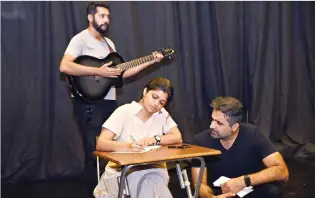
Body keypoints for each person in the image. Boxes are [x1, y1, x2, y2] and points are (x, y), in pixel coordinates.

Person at [59, 2, 164, 192]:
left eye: (108, 16)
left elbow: (121, 74)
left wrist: (150, 61)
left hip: (109, 102)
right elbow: (65, 66)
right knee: (94, 152)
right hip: (88, 104)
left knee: (110, 149)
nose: (106, 20)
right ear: (91, 18)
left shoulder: (109, 44)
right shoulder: (80, 39)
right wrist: (98, 71)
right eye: (102, 16)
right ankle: (92, 191)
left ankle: (110, 191)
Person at [93, 77, 183, 198]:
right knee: (151, 183)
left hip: (153, 169)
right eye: (154, 97)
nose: (156, 104)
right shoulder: (124, 111)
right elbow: (101, 143)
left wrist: (155, 139)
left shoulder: (161, 114)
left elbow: (177, 137)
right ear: (145, 91)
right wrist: (129, 146)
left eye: (162, 102)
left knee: (153, 179)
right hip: (123, 172)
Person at [189, 96, 289, 198]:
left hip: (249, 189)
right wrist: (211, 197)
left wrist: (243, 181)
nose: (211, 126)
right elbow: (199, 185)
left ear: (234, 127)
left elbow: (282, 172)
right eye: (212, 120)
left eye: (218, 123)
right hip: (219, 193)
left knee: (273, 192)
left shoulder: (254, 135)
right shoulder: (200, 141)